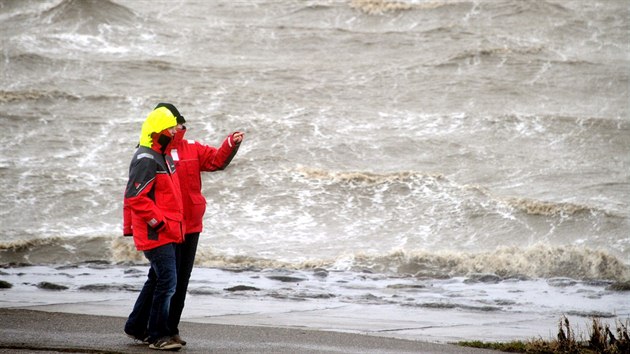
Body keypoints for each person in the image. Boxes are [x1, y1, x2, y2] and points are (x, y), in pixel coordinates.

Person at [124, 103, 244, 347]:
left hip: (190, 226)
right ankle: (157, 330)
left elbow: (216, 162)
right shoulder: (154, 155)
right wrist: (145, 225)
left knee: (174, 279)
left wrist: (231, 143)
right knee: (165, 279)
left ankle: (154, 327)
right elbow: (137, 196)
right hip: (166, 227)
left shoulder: (192, 149)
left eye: (179, 123)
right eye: (175, 124)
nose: (179, 127)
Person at [123, 106, 186, 351]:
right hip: (156, 233)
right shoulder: (146, 158)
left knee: (157, 279)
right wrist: (159, 223)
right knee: (168, 281)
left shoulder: (163, 155)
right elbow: (135, 198)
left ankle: (136, 327)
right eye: (171, 128)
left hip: (167, 231)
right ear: (159, 130)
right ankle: (159, 335)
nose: (175, 131)